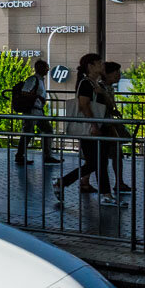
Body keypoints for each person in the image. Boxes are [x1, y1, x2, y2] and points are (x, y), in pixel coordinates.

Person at [54, 53, 108, 203]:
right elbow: (83, 105)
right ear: (90, 66)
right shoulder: (86, 84)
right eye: (99, 63)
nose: (102, 66)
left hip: (94, 127)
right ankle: (105, 194)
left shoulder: (96, 84)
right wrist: (93, 124)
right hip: (90, 129)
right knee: (97, 162)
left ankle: (63, 182)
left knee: (97, 162)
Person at [15, 59, 64, 166]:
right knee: (29, 132)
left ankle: (47, 156)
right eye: (46, 67)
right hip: (32, 111)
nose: (48, 69)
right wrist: (38, 97)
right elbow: (24, 92)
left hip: (38, 111)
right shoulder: (33, 80)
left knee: (45, 130)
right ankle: (20, 156)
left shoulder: (39, 80)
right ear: (40, 68)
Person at [97, 61, 133, 196]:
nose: (119, 75)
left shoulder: (108, 88)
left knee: (108, 156)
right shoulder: (101, 89)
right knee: (103, 157)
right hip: (105, 126)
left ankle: (118, 182)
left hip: (107, 125)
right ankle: (117, 183)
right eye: (116, 72)